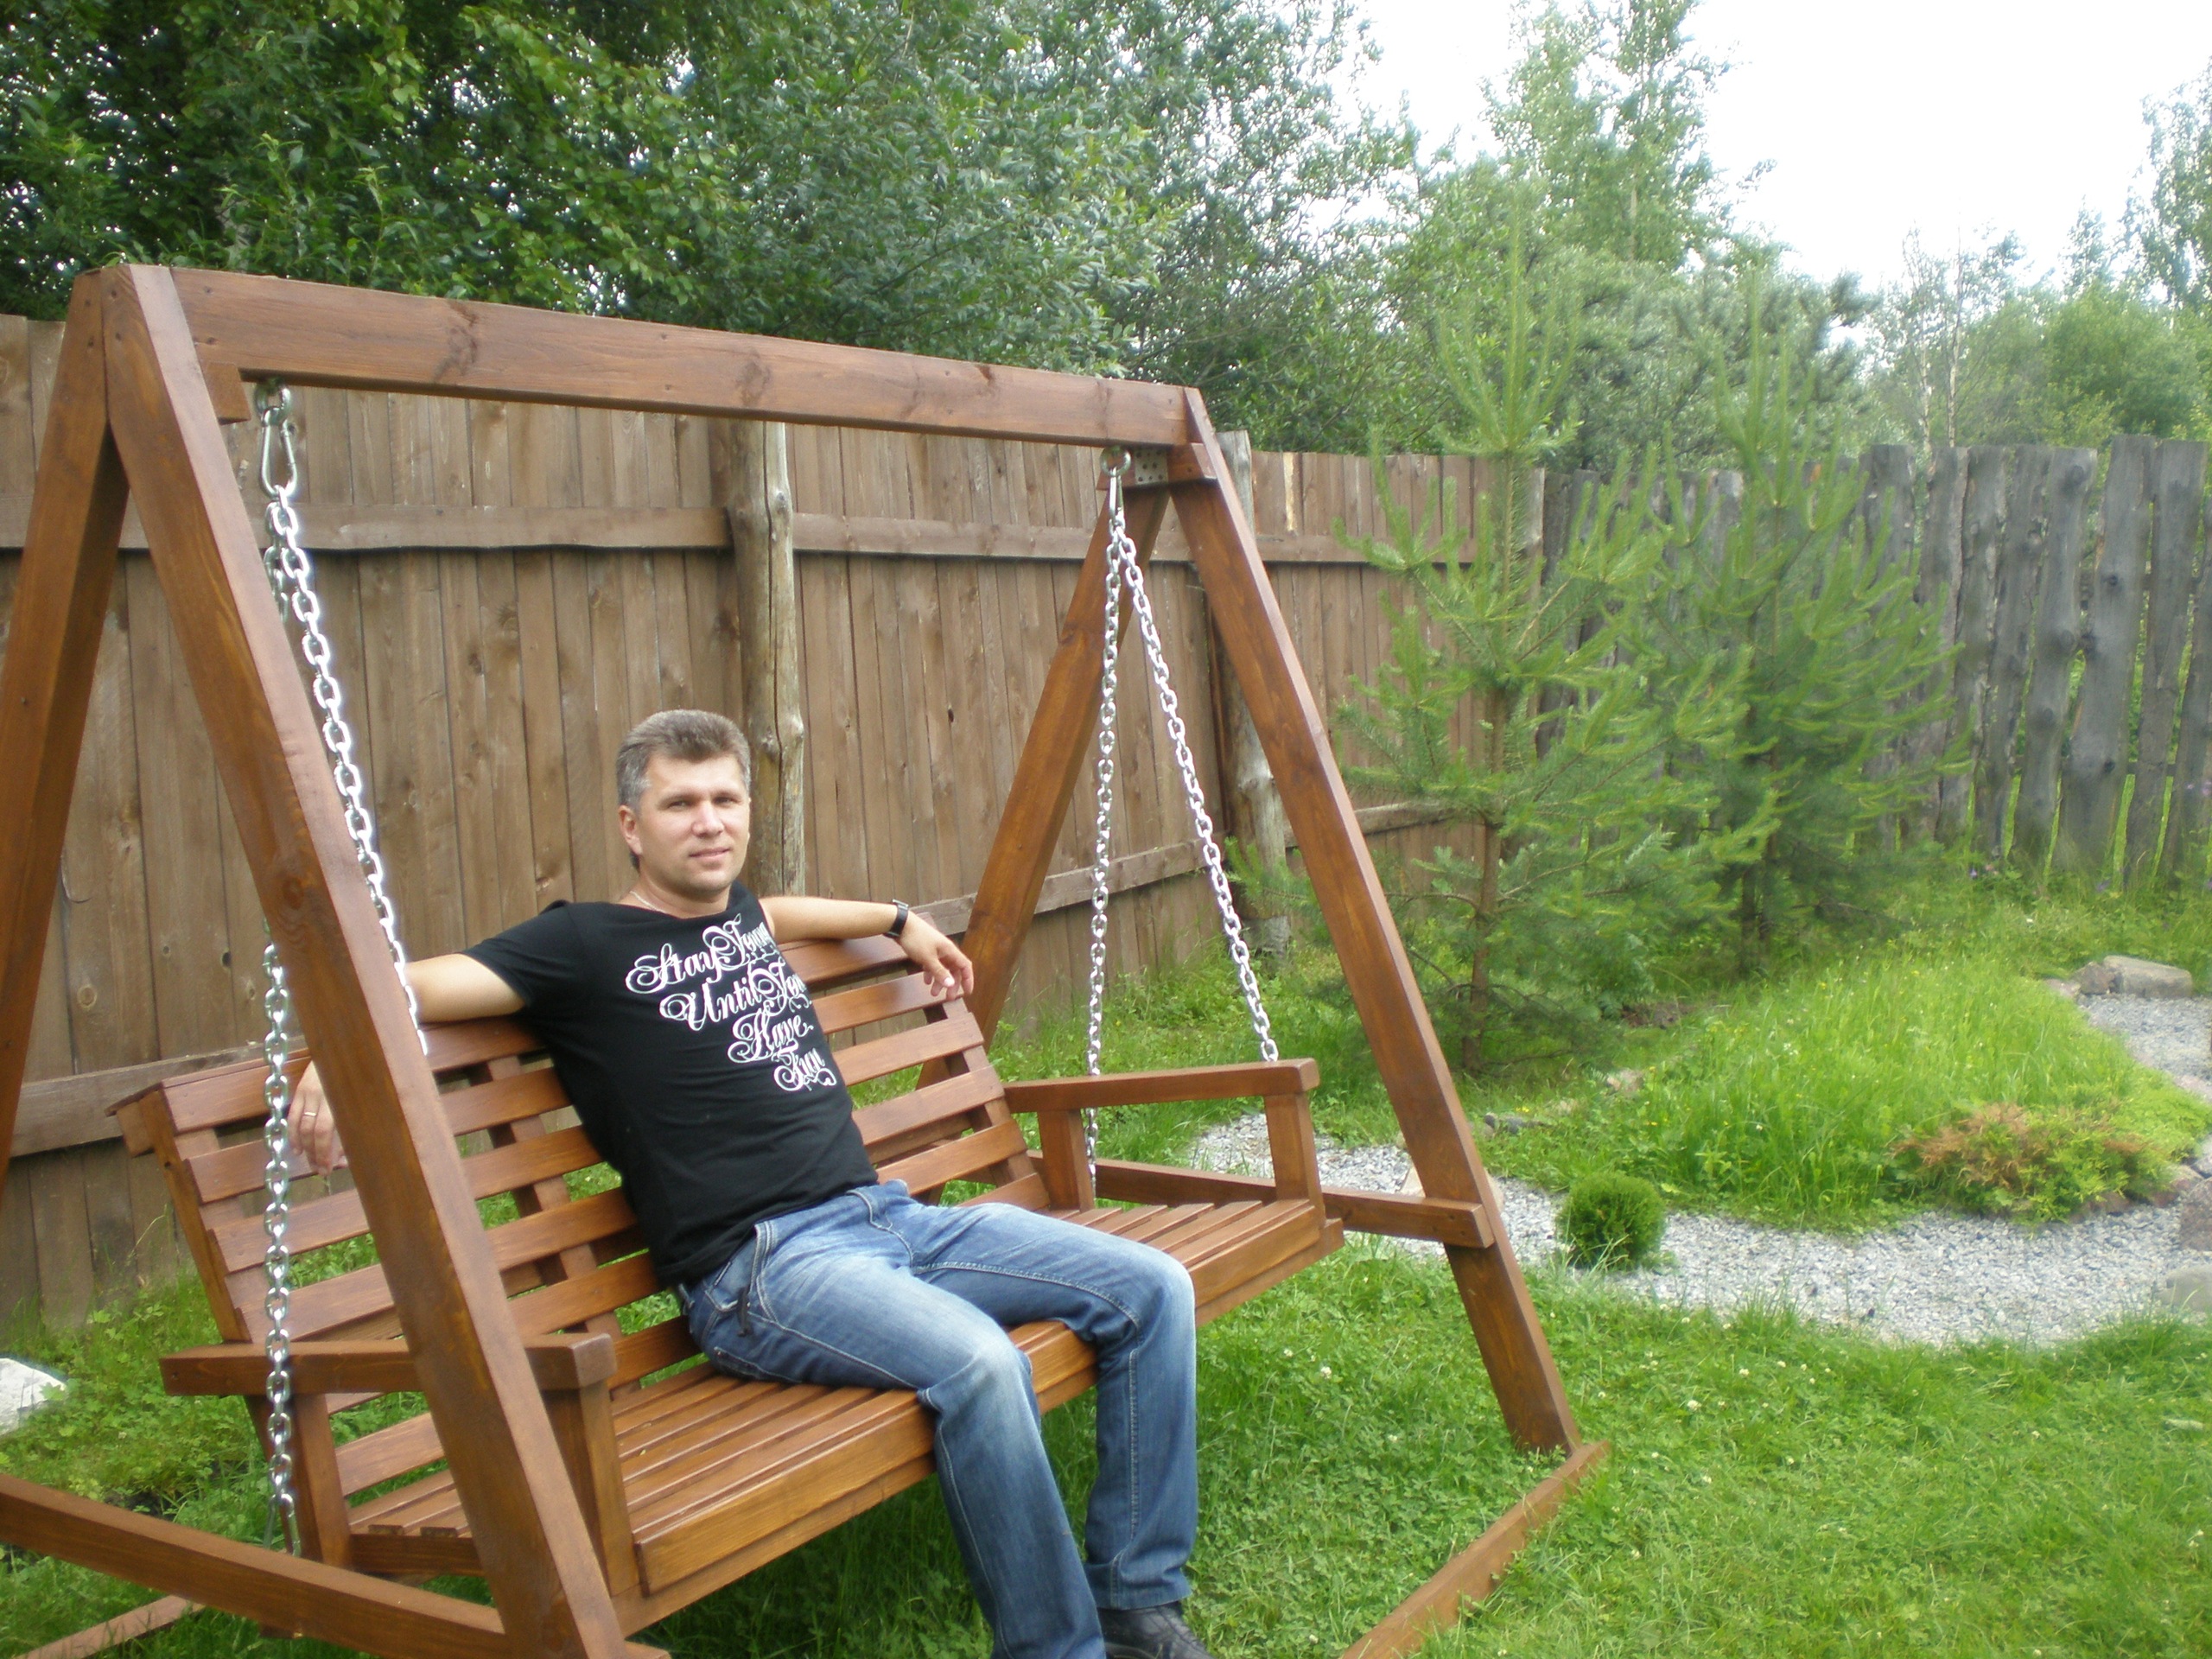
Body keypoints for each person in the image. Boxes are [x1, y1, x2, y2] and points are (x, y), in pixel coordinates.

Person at [289, 709, 1216, 1659]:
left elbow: (786, 913)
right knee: (980, 1364)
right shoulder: (579, 945)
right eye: (680, 804)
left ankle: (1133, 1601)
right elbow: (415, 982)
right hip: (765, 1271)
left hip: (888, 1220)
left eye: (726, 800)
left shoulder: (741, 914)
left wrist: (899, 920)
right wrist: (334, 1040)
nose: (709, 822)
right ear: (630, 825)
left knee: (1152, 1288)